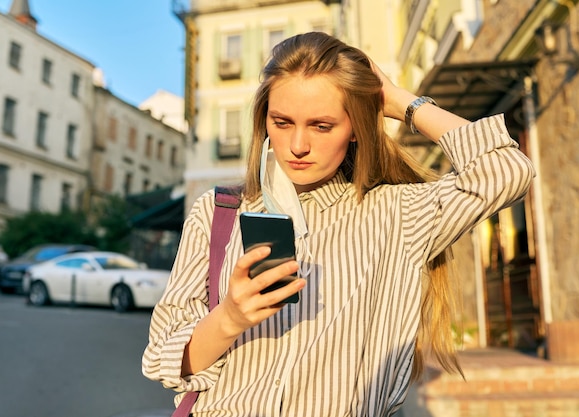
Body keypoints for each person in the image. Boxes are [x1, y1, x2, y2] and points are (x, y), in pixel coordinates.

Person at [142, 31, 535, 416]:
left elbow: (506, 169)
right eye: (281, 122)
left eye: (321, 125)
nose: (297, 145)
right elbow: (162, 359)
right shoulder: (219, 213)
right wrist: (229, 317)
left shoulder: (398, 214)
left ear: (355, 130)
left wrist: (400, 102)